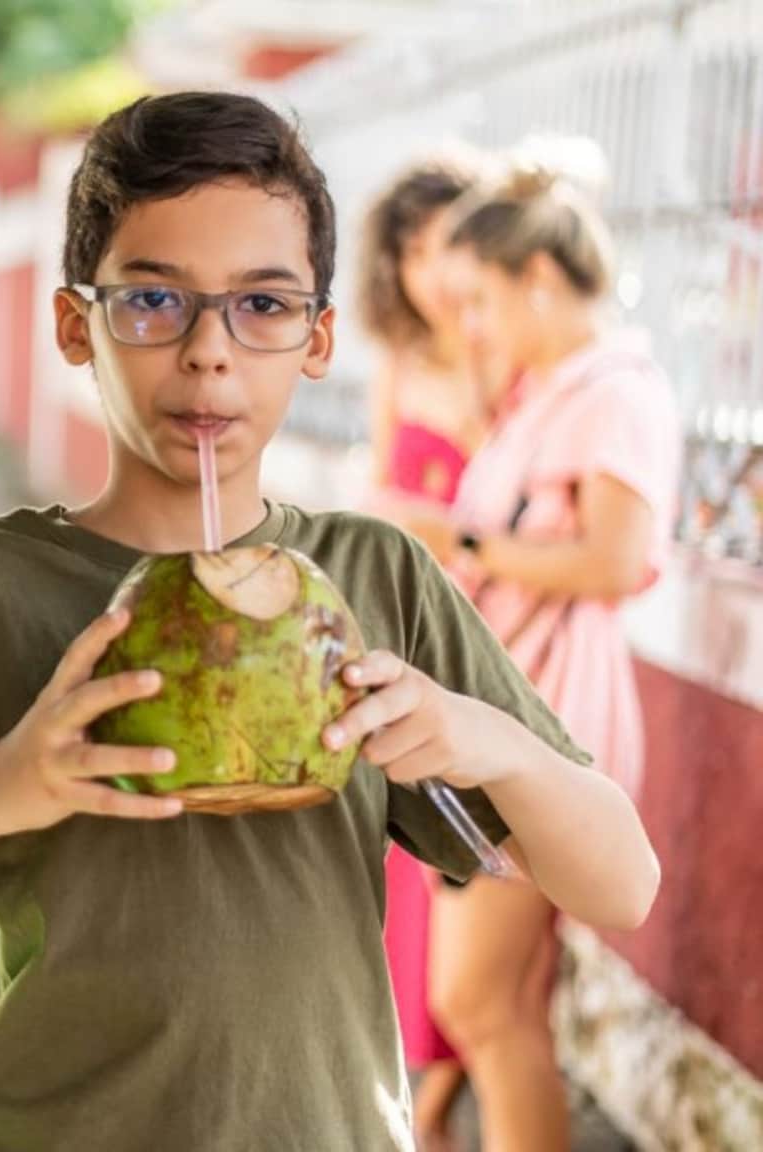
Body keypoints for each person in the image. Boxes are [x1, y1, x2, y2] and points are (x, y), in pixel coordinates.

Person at [0, 91, 659, 1152]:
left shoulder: (372, 578)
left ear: (317, 338)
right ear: (71, 325)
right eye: (151, 301)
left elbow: (622, 886)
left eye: (262, 306)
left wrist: (489, 741)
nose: (207, 353)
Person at [396, 152, 681, 1152]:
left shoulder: (612, 394)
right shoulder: (551, 393)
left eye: (482, 301)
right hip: (507, 713)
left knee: (477, 1003)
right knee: (498, 1006)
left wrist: (456, 541)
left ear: (540, 280)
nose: (472, 328)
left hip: (545, 723)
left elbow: (613, 559)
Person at [354, 148, 496, 1152]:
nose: (429, 267)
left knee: (477, 868)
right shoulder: (397, 365)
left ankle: (442, 1094)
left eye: (445, 241)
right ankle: (419, 1089)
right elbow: (376, 496)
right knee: (406, 869)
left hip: (488, 643)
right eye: (409, 248)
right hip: (410, 632)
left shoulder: (504, 361)